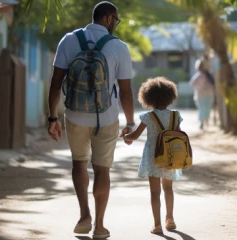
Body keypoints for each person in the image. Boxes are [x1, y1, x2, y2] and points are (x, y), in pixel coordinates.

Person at [46, 1, 135, 239]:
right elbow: (126, 92)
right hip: (106, 117)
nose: (115, 24)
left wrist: (53, 117)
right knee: (102, 169)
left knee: (79, 162)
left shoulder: (69, 40)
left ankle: (84, 214)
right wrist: (131, 123)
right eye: (115, 20)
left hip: (74, 115)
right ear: (107, 18)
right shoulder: (119, 47)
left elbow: (55, 84)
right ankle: (100, 226)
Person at [121, 77, 183, 235]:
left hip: (153, 157)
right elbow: (180, 134)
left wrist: (125, 137)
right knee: (168, 188)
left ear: (148, 98)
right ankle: (170, 219)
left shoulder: (148, 116)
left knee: (155, 192)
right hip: (170, 157)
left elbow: (134, 136)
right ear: (170, 97)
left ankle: (157, 225)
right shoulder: (175, 116)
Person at [188, 57, 216, 130]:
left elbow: (191, 84)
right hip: (207, 95)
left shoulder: (201, 75)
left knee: (202, 108)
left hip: (201, 94)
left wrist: (198, 87)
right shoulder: (209, 76)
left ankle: (203, 122)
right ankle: (204, 122)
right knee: (206, 108)